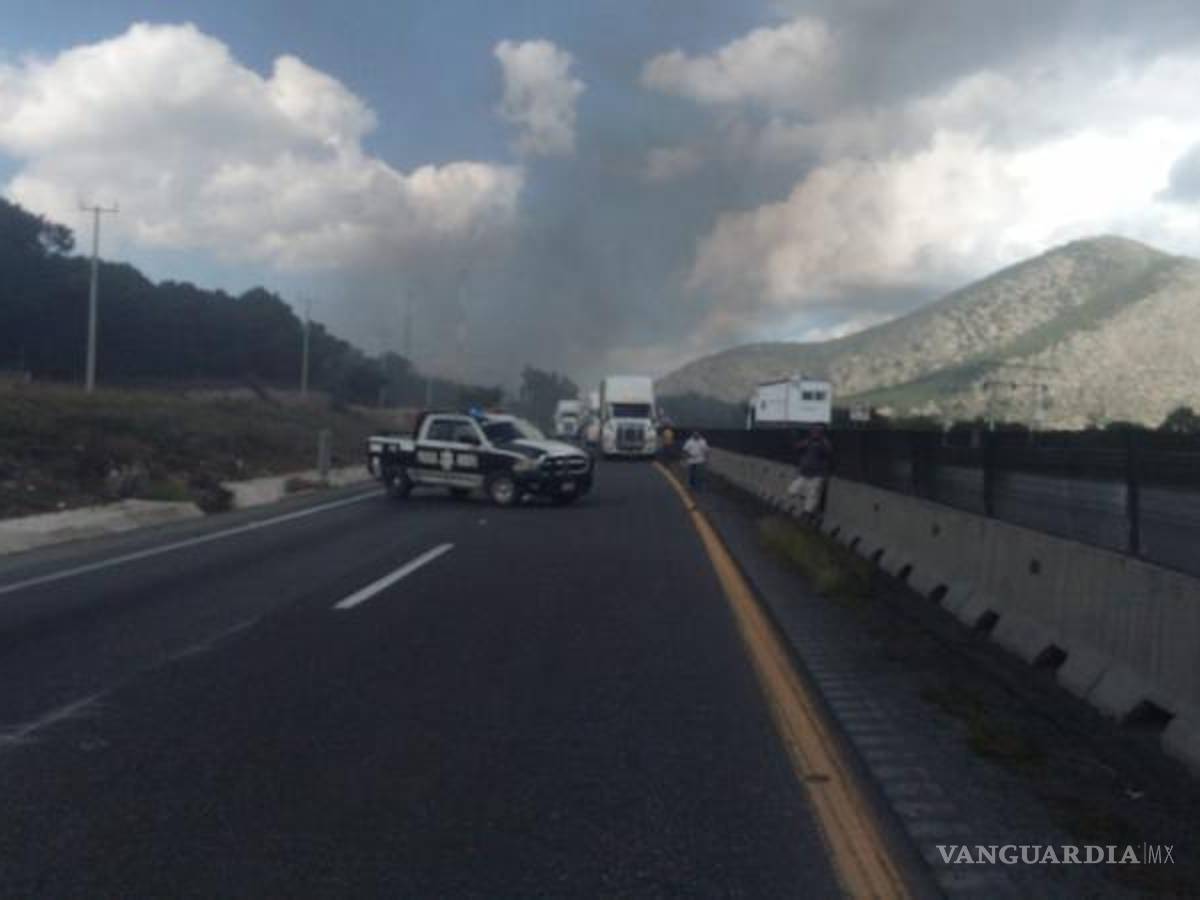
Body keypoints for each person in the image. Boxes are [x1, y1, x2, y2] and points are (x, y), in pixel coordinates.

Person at [788, 424, 833, 523]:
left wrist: (821, 443)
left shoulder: (824, 443)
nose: (815, 433)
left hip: (817, 475)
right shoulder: (808, 441)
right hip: (804, 474)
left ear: (822, 433)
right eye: (814, 431)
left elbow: (829, 452)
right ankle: (808, 502)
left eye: (818, 431)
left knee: (813, 495)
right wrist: (794, 436)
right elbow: (797, 447)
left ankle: (807, 514)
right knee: (792, 491)